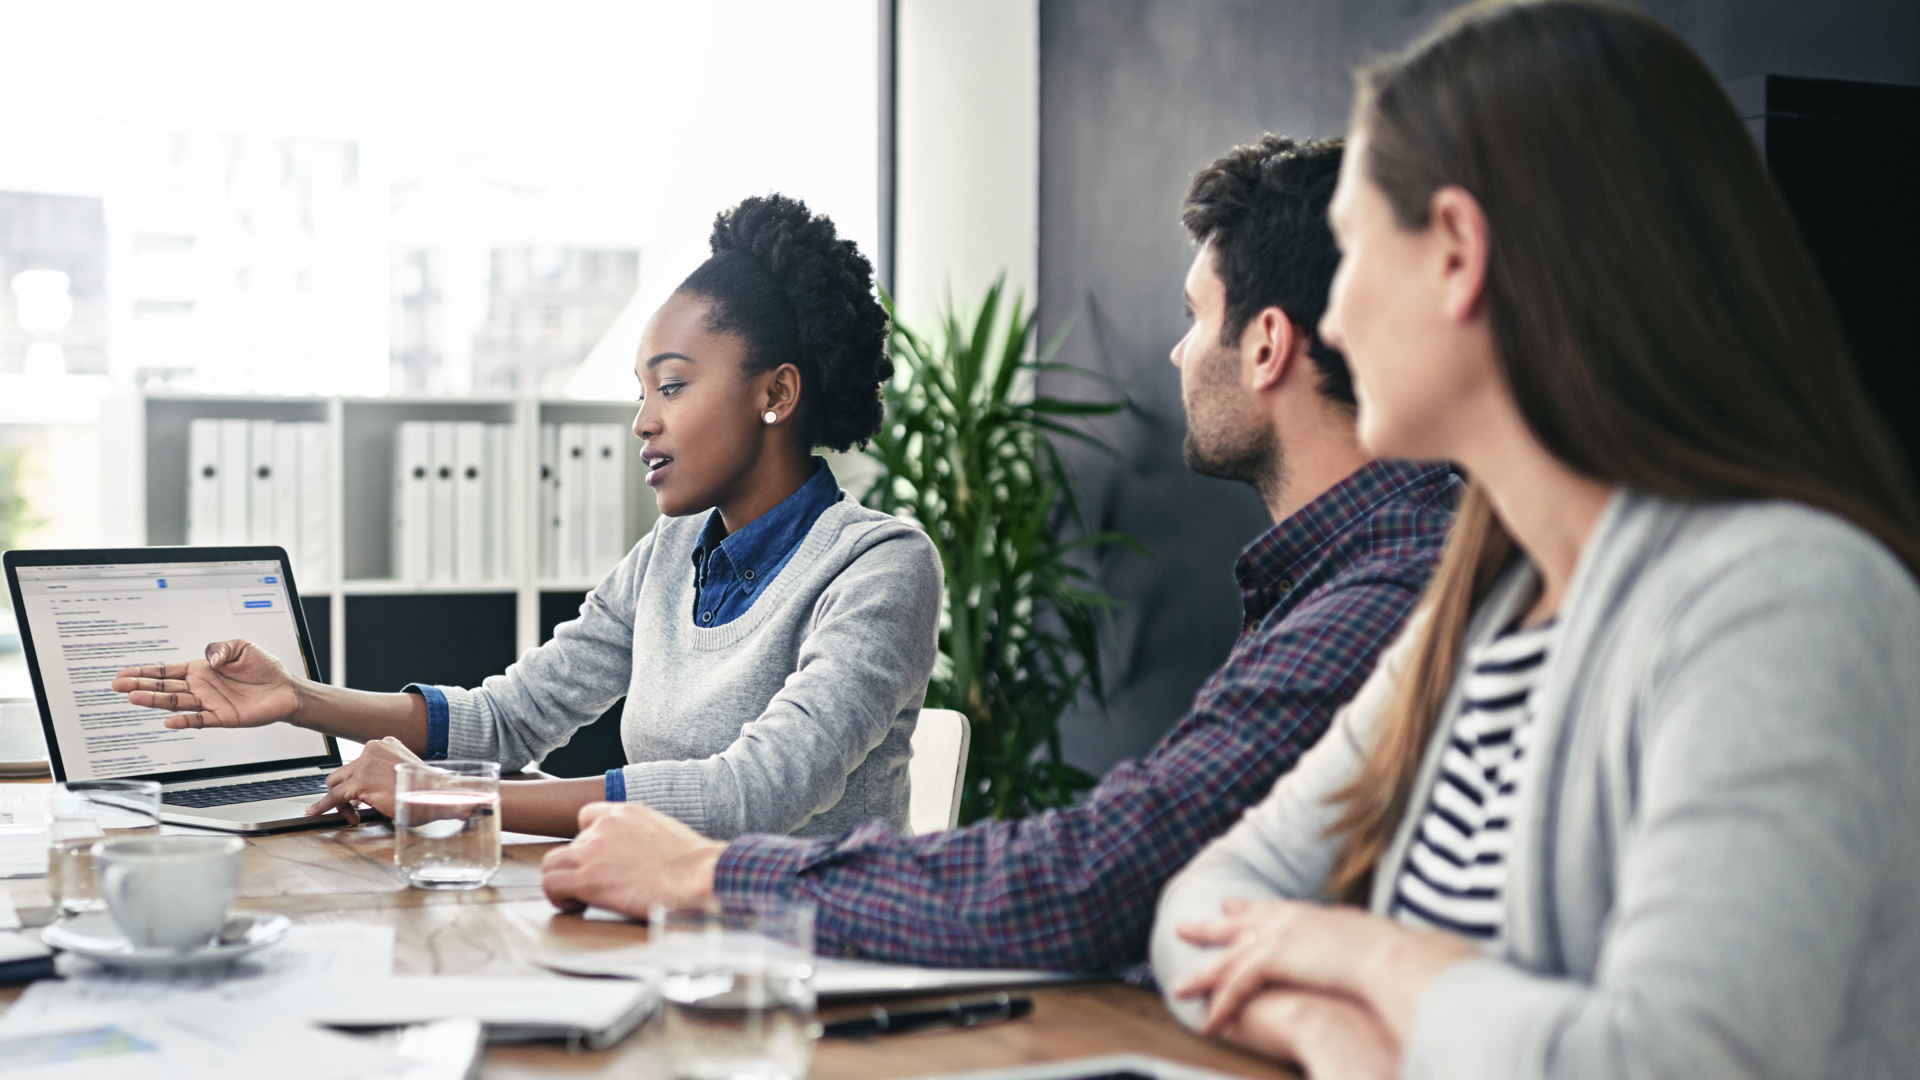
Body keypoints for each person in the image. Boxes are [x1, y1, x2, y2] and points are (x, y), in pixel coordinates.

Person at [1149, 2, 1920, 1077]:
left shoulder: (1789, 599)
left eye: (1355, 251)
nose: (1337, 316)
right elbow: (1196, 908)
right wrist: (1337, 1035)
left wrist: (1366, 957)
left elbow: (1666, 1063)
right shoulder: (1484, 605)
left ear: (1458, 253)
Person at [539, 136, 1464, 972]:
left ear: (1267, 344)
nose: (1180, 353)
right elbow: (1194, 880)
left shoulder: (1386, 589)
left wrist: (715, 876)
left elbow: (1106, 875)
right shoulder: (1338, 575)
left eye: (1196, 315)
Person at [112, 195, 944, 841]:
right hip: (659, 930)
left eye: (674, 385)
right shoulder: (669, 554)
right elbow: (508, 718)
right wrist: (297, 698)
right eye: (641, 391)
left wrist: (455, 798)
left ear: (777, 393)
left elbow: (753, 794)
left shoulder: (880, 566)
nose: (643, 421)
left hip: (810, 967)